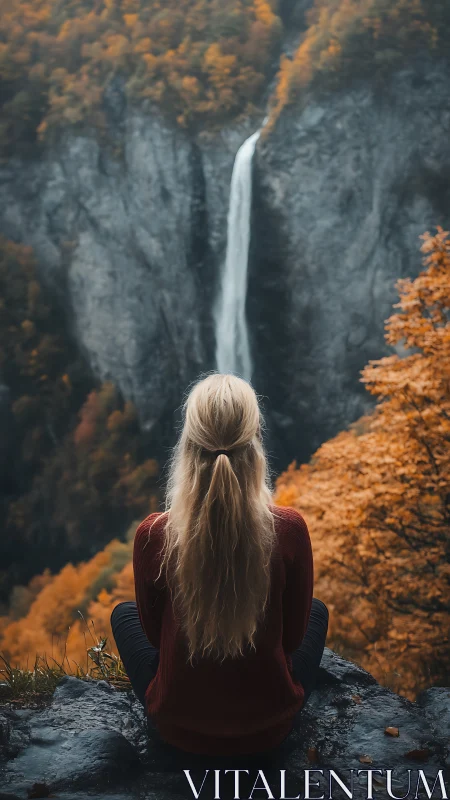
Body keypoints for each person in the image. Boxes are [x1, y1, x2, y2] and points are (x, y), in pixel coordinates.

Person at [111, 373, 328, 757]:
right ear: (256, 440)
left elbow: (152, 637)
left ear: (188, 444)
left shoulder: (154, 535)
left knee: (123, 615)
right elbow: (293, 641)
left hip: (178, 728)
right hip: (270, 727)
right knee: (318, 611)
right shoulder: (289, 530)